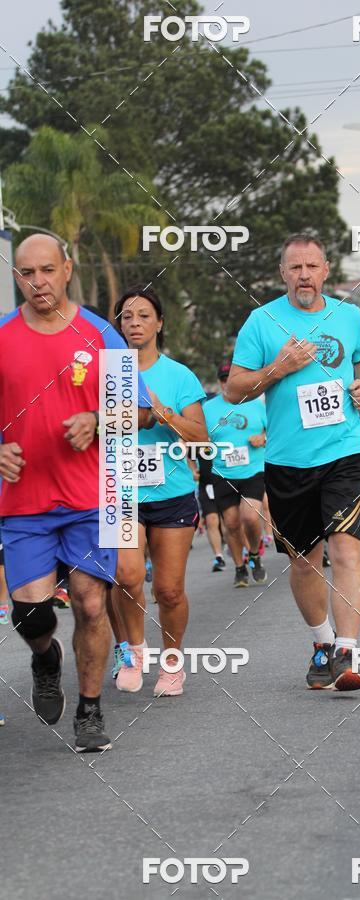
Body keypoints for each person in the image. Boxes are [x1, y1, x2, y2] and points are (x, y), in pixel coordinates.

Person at [0, 234, 152, 751]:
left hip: (95, 497)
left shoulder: (101, 334)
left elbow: (139, 412)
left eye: (47, 270)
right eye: (26, 273)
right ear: (16, 276)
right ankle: (46, 657)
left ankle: (89, 710)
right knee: (31, 615)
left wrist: (96, 417)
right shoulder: (2, 336)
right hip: (24, 503)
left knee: (90, 604)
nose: (37, 282)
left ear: (67, 268)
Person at [226, 233, 360, 691]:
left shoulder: (348, 315)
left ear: (326, 270)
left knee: (346, 547)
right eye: (295, 268)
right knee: (303, 562)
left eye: (312, 266)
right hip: (288, 460)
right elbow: (234, 389)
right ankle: (322, 644)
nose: (304, 275)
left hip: (344, 452)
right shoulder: (262, 321)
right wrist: (281, 368)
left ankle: (348, 653)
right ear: (282, 274)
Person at [110, 285, 207, 697]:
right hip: (120, 491)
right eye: (127, 317)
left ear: (159, 323)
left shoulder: (178, 375)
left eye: (144, 316)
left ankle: (171, 663)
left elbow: (202, 439)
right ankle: (133, 651)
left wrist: (164, 413)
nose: (135, 323)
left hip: (172, 493)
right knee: (126, 577)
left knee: (168, 589)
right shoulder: (104, 371)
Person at [203, 361, 268, 588]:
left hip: (253, 470)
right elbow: (197, 436)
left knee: (250, 517)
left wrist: (263, 437)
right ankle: (240, 567)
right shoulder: (208, 409)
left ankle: (254, 554)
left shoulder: (257, 404)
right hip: (222, 472)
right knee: (230, 524)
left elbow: (272, 428)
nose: (225, 383)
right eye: (222, 379)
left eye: (229, 378)